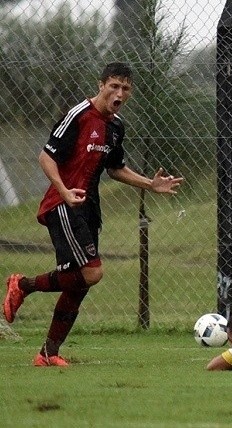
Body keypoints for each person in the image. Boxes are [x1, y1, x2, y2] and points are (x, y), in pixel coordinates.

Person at [2, 62, 183, 367]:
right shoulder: (79, 115)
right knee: (91, 273)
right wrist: (64, 191)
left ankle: (48, 354)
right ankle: (22, 285)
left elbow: (115, 168)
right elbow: (45, 157)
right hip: (63, 205)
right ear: (101, 85)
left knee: (80, 283)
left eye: (125, 88)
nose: (119, 93)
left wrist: (150, 185)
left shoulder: (116, 126)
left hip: (88, 209)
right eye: (114, 86)